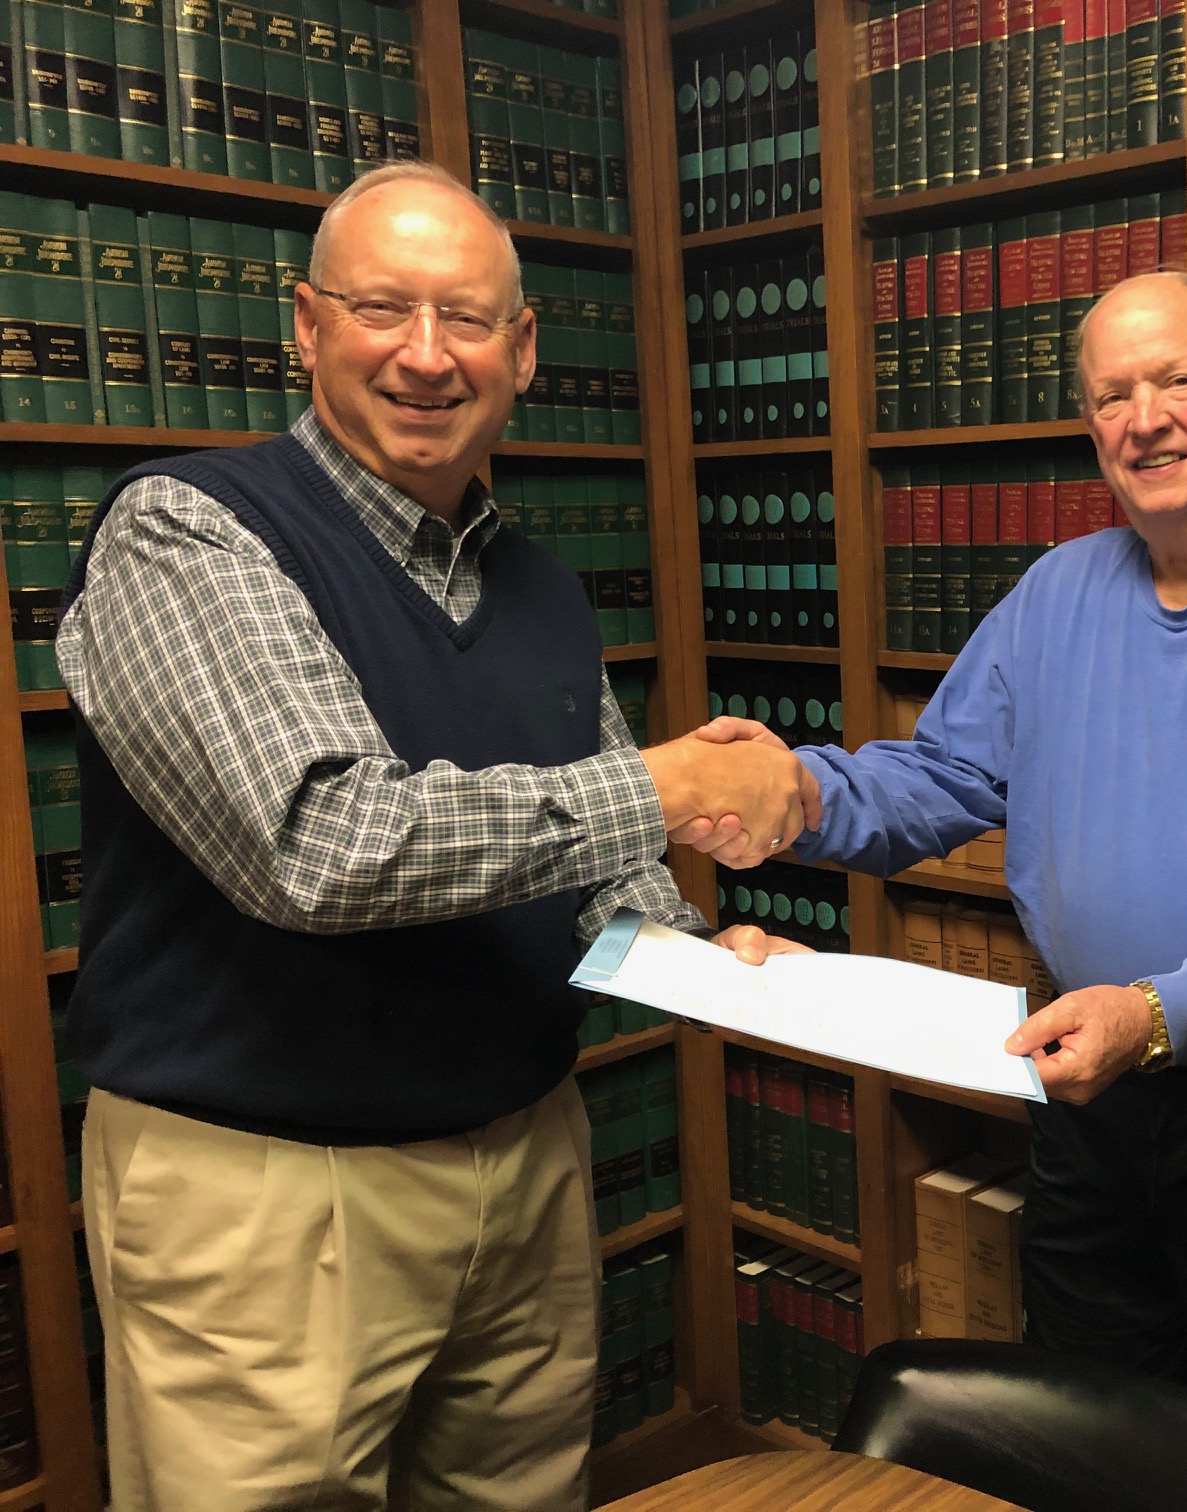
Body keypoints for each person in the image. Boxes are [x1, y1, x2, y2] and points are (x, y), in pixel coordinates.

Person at [56, 161, 811, 1511]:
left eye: (465, 318)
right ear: (304, 325)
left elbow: (595, 859)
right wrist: (669, 781)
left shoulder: (540, 582)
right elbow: (322, 842)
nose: (424, 355)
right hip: (268, 1197)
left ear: (521, 350)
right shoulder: (188, 532)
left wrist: (692, 955)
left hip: (523, 1160)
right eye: (380, 309)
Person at [690, 271, 1187, 1497]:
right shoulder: (1056, 595)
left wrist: (1157, 1016)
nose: (1143, 417)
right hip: (1087, 1112)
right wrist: (800, 796)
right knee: (1087, 1446)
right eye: (1111, 395)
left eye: (1177, 380)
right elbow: (939, 777)